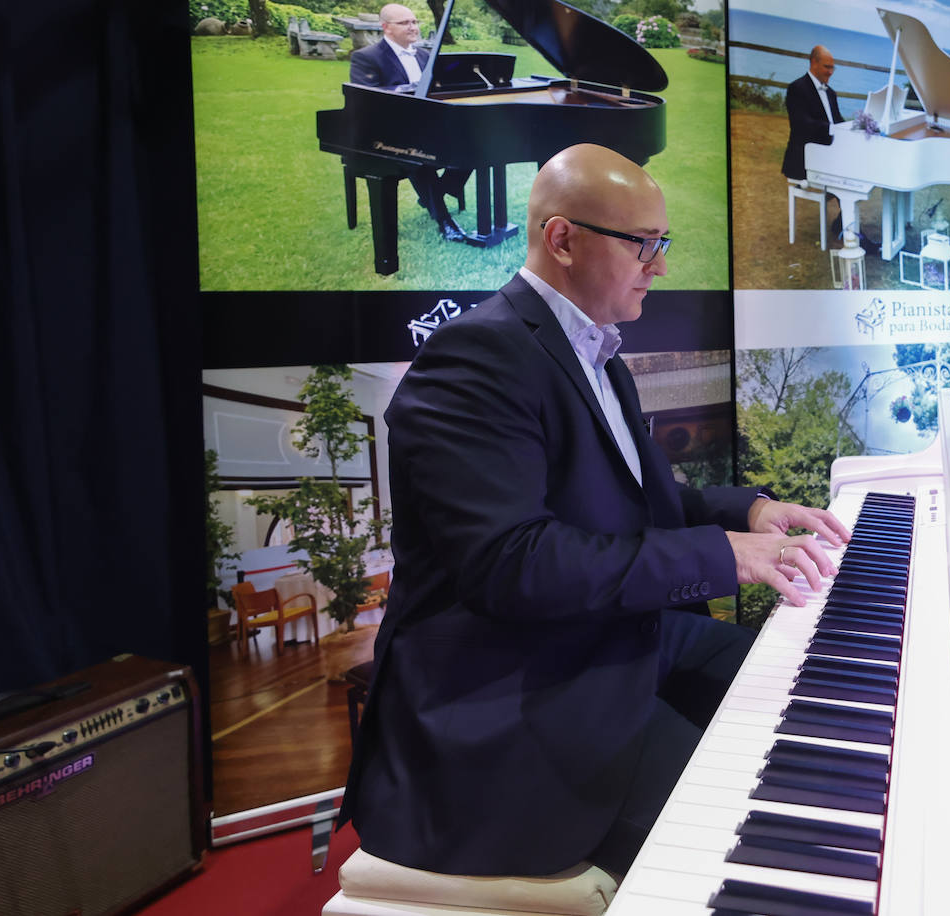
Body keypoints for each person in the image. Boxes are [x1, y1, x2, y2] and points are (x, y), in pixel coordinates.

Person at [335, 143, 851, 879]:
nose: (662, 265)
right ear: (562, 240)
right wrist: (720, 555)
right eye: (645, 244)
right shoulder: (475, 357)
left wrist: (752, 513)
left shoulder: (596, 353)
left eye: (663, 243)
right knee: (756, 839)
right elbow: (512, 565)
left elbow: (641, 507)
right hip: (513, 694)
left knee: (807, 698)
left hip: (609, 640)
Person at [348, 3, 471, 241]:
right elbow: (366, 100)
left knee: (473, 145)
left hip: (427, 127)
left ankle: (437, 192)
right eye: (405, 23)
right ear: (386, 27)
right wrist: (409, 89)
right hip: (386, 133)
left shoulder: (425, 56)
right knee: (418, 154)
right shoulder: (365, 58)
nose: (413, 27)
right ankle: (444, 221)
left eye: (415, 22)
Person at [782, 44, 844, 235]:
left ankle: (845, 222)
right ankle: (846, 225)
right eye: (827, 67)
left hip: (826, 154)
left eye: (832, 67)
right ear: (813, 63)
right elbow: (802, 124)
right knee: (847, 174)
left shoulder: (831, 93)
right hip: (804, 159)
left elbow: (838, 122)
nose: (830, 72)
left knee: (853, 169)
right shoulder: (796, 88)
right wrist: (832, 130)